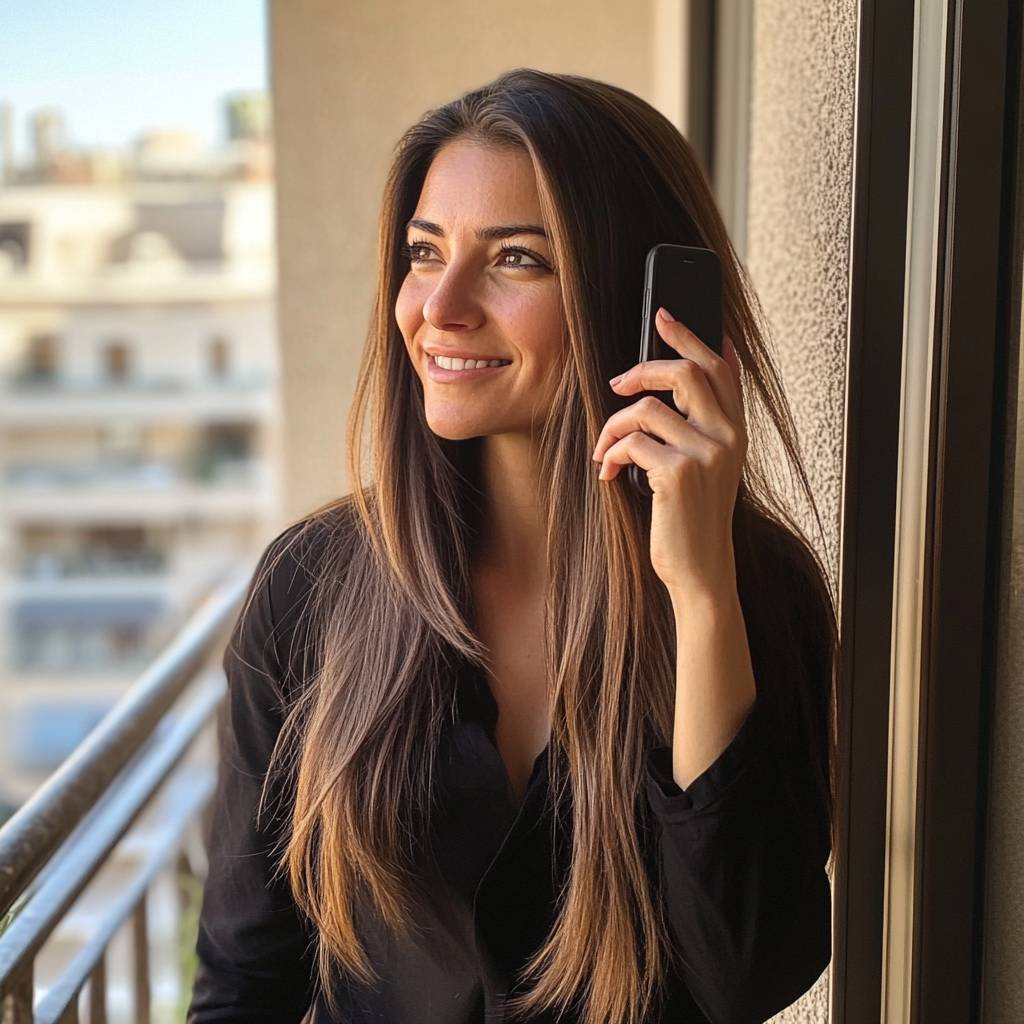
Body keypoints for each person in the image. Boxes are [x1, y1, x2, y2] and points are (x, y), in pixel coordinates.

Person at [188, 69, 836, 1024]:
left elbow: (746, 972)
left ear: (640, 295)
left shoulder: (760, 595)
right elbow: (245, 983)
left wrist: (700, 598)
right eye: (423, 251)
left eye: (517, 260)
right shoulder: (312, 588)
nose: (440, 305)